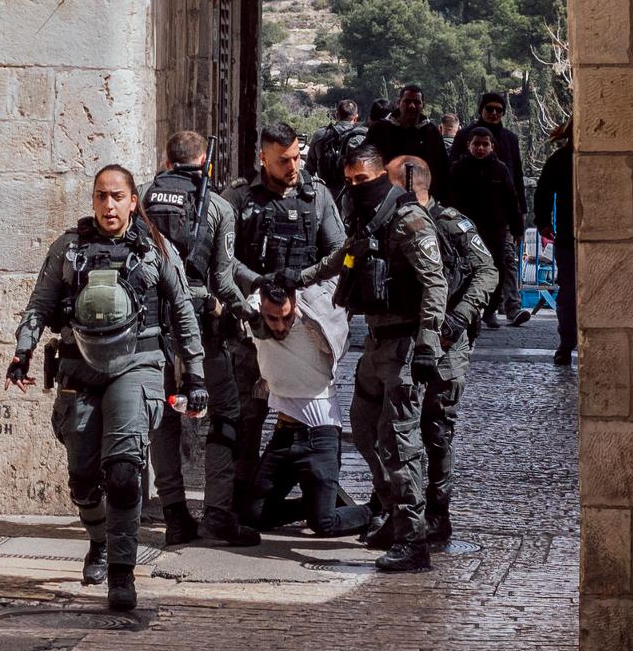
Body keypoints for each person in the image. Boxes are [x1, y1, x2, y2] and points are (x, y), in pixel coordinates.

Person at [5, 165, 205, 611]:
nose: (109, 205)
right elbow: (39, 304)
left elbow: (184, 313)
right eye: (101, 196)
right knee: (82, 479)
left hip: (137, 366)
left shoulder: (156, 250)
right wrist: (23, 352)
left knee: (123, 471)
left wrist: (195, 376)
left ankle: (121, 573)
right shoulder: (70, 248)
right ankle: (98, 539)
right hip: (80, 369)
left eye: (117, 196)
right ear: (93, 200)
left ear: (134, 200)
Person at [275, 144, 450, 573]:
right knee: (366, 431)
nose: (356, 187)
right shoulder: (367, 218)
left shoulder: (409, 219)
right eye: (350, 181)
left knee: (400, 442)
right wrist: (301, 277)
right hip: (375, 342)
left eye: (363, 181)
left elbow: (435, 283)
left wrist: (428, 343)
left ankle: (414, 538)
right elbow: (345, 257)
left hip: (406, 344)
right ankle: (392, 514)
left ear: (381, 178)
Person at [143, 131, 259, 546]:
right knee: (225, 413)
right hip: (201, 329)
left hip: (153, 330)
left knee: (164, 420)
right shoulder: (219, 207)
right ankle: (218, 514)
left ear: (167, 160)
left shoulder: (143, 197)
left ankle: (175, 514)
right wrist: (248, 311)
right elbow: (225, 281)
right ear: (206, 162)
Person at [223, 123, 346, 513]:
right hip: (254, 325)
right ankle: (239, 498)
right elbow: (224, 260)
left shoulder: (318, 196)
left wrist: (305, 283)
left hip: (302, 324)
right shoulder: (240, 198)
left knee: (310, 408)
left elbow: (339, 252)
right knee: (247, 415)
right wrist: (257, 283)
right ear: (264, 158)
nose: (293, 166)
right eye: (283, 160)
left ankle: (321, 497)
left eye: (296, 157)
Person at [387, 155, 497, 549]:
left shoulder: (450, 222)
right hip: (407, 342)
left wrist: (457, 319)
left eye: (389, 181)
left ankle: (437, 513)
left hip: (447, 345)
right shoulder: (392, 222)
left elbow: (488, 272)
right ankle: (399, 511)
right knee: (396, 432)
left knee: (436, 430)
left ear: (411, 183)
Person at [243, 282, 371, 538]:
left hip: (319, 435)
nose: (279, 326)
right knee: (254, 515)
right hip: (284, 436)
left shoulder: (316, 325)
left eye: (286, 317)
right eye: (273, 318)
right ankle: (317, 503)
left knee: (324, 524)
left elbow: (336, 292)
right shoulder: (256, 322)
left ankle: (376, 510)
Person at [451, 92, 528, 321]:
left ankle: (506, 307)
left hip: (499, 216)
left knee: (504, 261)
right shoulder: (463, 139)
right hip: (468, 218)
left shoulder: (509, 139)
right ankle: (470, 308)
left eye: (499, 110)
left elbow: (517, 177)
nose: (494, 114)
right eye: (489, 109)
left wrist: (519, 215)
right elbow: (451, 178)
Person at [534, 118, 575, 366]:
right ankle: (566, 343)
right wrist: (544, 223)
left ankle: (567, 344)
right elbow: (544, 192)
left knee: (568, 294)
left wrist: (544, 223)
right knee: (568, 294)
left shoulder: (560, 158)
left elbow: (543, 192)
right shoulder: (560, 159)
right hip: (569, 238)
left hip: (571, 236)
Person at [364, 84, 450, 203]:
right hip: (386, 199)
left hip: (423, 199)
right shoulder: (380, 129)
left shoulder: (431, 132)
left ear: (423, 106)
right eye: (407, 101)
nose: (412, 106)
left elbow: (442, 168)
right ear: (399, 103)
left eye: (417, 102)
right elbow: (365, 159)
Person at [305, 100, 366, 194]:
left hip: (325, 194)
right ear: (356, 118)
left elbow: (309, 169)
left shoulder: (320, 135)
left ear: (337, 115)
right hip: (351, 196)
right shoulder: (361, 138)